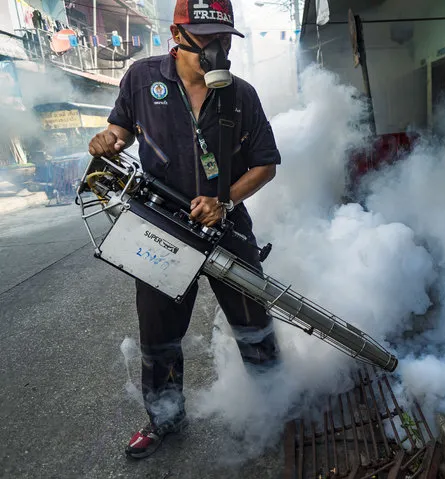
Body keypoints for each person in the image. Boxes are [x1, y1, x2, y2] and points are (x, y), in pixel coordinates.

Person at [88, 0, 281, 460]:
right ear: (177, 37)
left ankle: (277, 407)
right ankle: (165, 421)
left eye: (223, 40)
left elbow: (266, 166)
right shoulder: (140, 78)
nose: (216, 50)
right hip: (159, 233)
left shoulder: (241, 95)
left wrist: (225, 200)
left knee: (254, 326)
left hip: (228, 231)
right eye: (205, 40)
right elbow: (119, 132)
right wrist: (106, 139)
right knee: (160, 337)